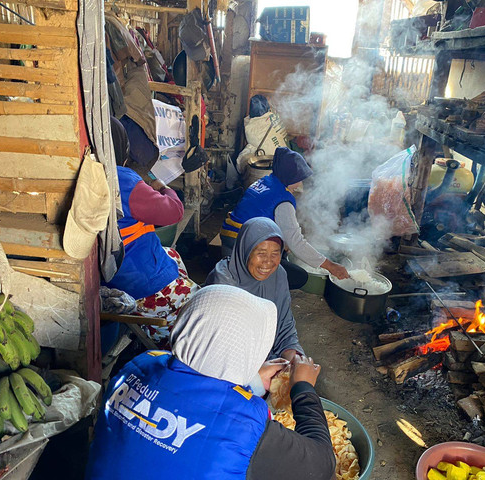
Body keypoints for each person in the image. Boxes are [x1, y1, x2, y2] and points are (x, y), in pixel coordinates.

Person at [85, 285, 336, 480]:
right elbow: (322, 465)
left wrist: (252, 381)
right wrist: (303, 388)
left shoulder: (140, 365)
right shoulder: (246, 428)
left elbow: (193, 399)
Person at [103, 116, 198, 348]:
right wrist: (163, 188)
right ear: (122, 147)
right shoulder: (121, 179)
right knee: (205, 309)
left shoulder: (92, 174)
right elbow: (173, 213)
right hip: (144, 284)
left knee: (172, 254)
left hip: (114, 275)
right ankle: (172, 339)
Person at [220, 147, 349, 288]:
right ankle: (255, 287)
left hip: (229, 238)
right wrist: (330, 266)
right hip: (242, 247)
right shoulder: (283, 201)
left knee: (281, 251)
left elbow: (263, 214)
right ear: (289, 176)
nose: (300, 184)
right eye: (298, 179)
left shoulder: (265, 182)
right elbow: (296, 242)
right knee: (299, 277)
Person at [207, 217, 304, 361]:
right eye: (261, 253)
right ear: (245, 249)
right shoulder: (223, 283)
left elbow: (285, 324)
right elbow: (221, 347)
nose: (268, 262)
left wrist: (294, 355)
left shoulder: (279, 275)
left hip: (263, 357)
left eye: (275, 253)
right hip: (228, 360)